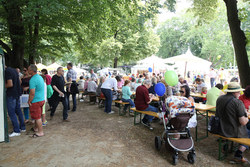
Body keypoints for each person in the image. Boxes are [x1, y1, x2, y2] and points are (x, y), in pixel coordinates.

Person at [216, 82, 249, 162]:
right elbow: (243, 122)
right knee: (248, 132)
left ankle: (226, 147)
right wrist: (247, 116)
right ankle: (239, 154)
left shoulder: (220, 98)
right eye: (239, 91)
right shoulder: (238, 102)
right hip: (231, 131)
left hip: (220, 127)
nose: (240, 93)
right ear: (235, 92)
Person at [5, 66, 26, 137]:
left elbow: (10, 84)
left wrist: (2, 86)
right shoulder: (13, 70)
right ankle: (22, 128)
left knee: (11, 112)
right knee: (18, 111)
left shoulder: (7, 71)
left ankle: (16, 130)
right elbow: (20, 81)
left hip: (11, 94)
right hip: (17, 93)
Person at [28, 64, 45, 137]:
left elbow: (32, 93)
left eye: (28, 70)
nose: (27, 71)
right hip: (41, 99)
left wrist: (29, 101)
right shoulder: (40, 77)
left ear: (31, 71)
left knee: (37, 117)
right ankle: (36, 128)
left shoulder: (33, 79)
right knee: (37, 115)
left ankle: (40, 132)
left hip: (36, 101)